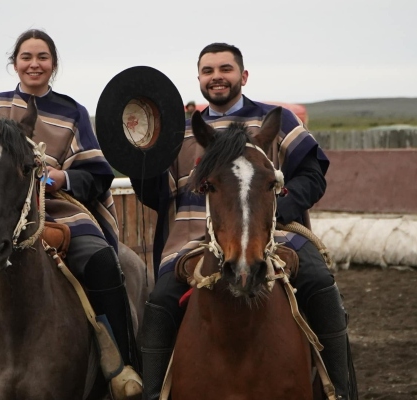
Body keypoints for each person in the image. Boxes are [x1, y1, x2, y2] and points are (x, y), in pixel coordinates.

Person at [0, 29, 141, 396]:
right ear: (15, 63)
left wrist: (63, 176)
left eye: (42, 57)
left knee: (104, 262)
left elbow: (98, 175)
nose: (34, 64)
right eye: (26, 57)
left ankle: (119, 367)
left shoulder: (72, 113)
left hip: (59, 212)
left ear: (53, 64)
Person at [132, 43, 353, 399]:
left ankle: (340, 391)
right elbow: (158, 195)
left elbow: (312, 175)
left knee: (319, 282)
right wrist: (141, 159)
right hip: (192, 237)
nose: (217, 77)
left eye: (225, 69)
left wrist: (278, 207)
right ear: (200, 79)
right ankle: (153, 393)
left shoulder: (277, 121)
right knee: (160, 302)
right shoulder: (182, 133)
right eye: (208, 71)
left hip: (273, 234)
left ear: (243, 76)